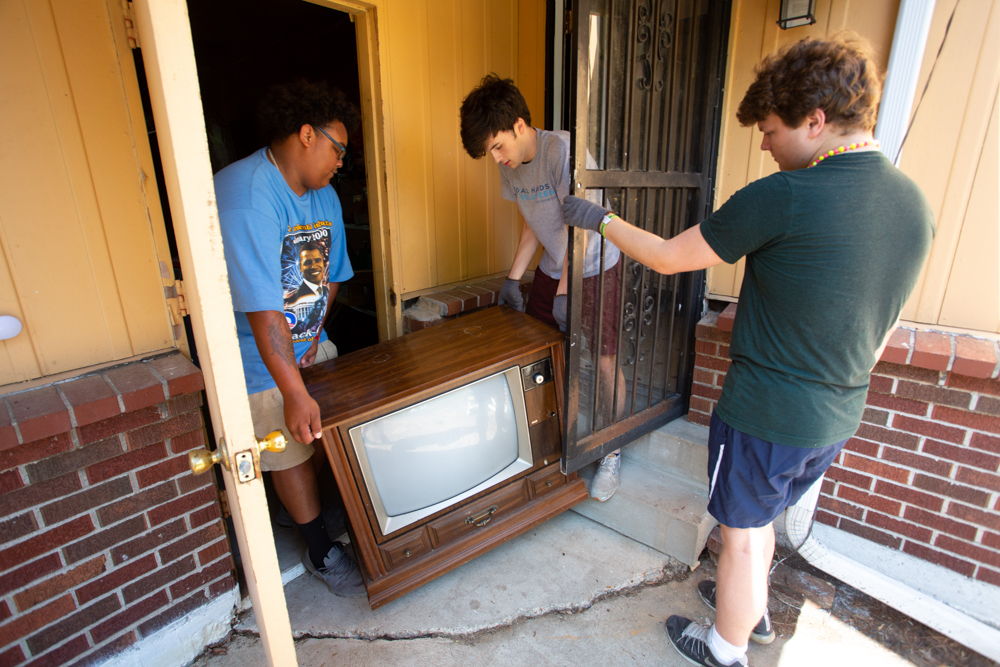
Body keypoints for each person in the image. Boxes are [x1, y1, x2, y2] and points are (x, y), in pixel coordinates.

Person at [560, 35, 933, 666]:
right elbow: (883, 328)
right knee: (763, 521)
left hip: (765, 413)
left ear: (816, 122)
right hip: (838, 414)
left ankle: (727, 647)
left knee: (740, 533)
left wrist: (597, 220)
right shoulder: (913, 204)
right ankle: (750, 609)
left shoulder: (785, 196)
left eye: (771, 130)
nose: (763, 144)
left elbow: (672, 258)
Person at [214, 79, 365, 597]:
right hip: (257, 359)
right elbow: (263, 311)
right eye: (338, 148)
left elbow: (334, 273)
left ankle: (303, 516)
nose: (341, 161)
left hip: (308, 343)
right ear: (307, 134)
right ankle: (321, 550)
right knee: (290, 454)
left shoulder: (323, 193)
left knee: (320, 440)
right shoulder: (246, 193)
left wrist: (314, 339)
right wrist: (294, 387)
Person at [459, 74, 626, 501]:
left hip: (595, 262)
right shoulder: (511, 166)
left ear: (518, 125)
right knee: (542, 349)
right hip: (555, 264)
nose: (496, 158)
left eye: (497, 146)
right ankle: (555, 436)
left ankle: (612, 446)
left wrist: (566, 291)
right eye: (488, 153)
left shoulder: (561, 150)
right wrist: (514, 278)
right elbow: (533, 224)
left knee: (605, 359)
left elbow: (580, 226)